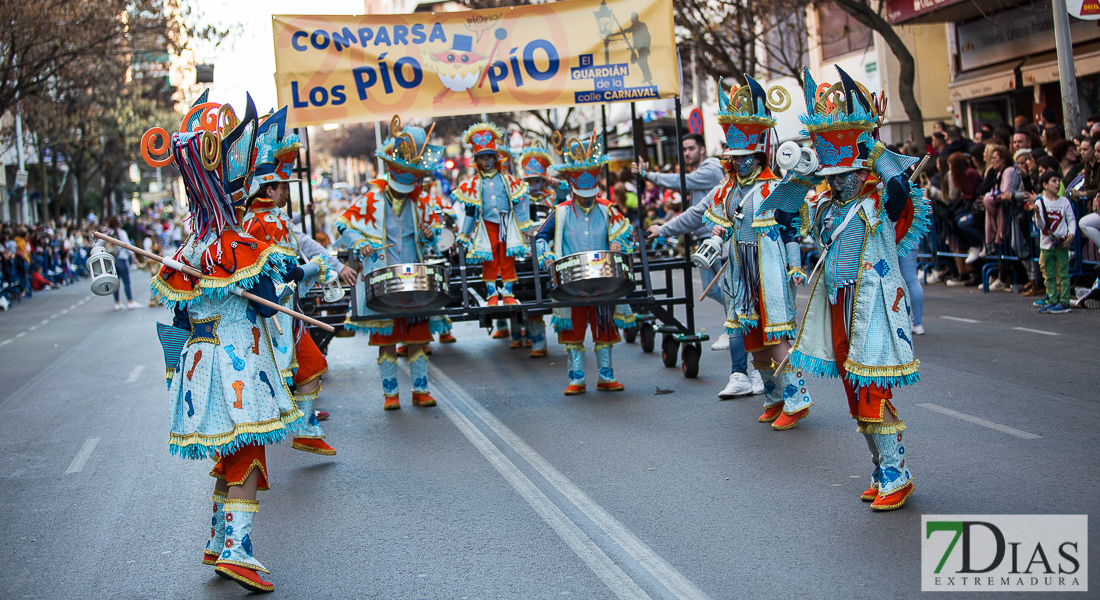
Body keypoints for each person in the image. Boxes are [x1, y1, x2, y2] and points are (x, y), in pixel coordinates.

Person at [148, 96, 300, 592]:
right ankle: (237, 550)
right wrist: (270, 284)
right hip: (239, 365)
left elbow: (176, 316)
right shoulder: (237, 246)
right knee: (249, 454)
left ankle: (217, 539)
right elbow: (266, 304)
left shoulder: (190, 249)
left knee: (229, 453)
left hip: (200, 361)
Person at [762, 67, 931, 510]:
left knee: (873, 391)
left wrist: (874, 151)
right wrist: (800, 176)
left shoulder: (878, 201)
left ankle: (897, 473)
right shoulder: (825, 206)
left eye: (847, 174)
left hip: (873, 306)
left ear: (861, 171)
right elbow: (783, 219)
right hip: (838, 305)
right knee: (855, 394)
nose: (838, 181)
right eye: (833, 175)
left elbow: (898, 191)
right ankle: (882, 469)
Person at [700, 76, 812, 421]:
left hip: (770, 271)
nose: (742, 162)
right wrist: (717, 233)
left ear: (761, 153)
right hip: (740, 271)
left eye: (748, 156)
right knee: (753, 340)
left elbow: (791, 230)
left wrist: (794, 266)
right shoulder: (726, 191)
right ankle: (774, 398)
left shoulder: (776, 187)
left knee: (776, 337)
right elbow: (719, 222)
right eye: (737, 156)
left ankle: (796, 399)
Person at [242, 106, 342, 456]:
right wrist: (311, 268)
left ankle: (303, 427)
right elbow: (279, 271)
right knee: (311, 366)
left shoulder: (263, 219)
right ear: (268, 191)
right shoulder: (263, 222)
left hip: (280, 313)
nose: (286, 192)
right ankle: (302, 430)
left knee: (304, 369)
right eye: (282, 187)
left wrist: (308, 268)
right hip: (277, 317)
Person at [335, 120, 445, 411]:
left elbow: (439, 232)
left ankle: (421, 390)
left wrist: (429, 233)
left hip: (414, 280)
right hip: (381, 280)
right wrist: (359, 243)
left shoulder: (420, 203)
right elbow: (342, 225)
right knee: (386, 339)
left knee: (418, 337)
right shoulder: (371, 198)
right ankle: (390, 394)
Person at [535, 134, 634, 395]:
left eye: (591, 195)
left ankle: (606, 375)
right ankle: (577, 378)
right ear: (572, 187)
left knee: (604, 326)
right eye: (583, 195)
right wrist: (546, 255)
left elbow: (625, 232)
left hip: (602, 279)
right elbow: (539, 239)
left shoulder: (607, 208)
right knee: (573, 331)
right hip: (572, 282)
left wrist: (618, 243)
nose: (587, 199)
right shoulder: (560, 211)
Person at [633, 133, 732, 352]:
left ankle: (734, 327)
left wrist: (648, 175)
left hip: (717, 237)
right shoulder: (704, 174)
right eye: (684, 149)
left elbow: (680, 184)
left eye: (691, 148)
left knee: (727, 287)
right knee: (711, 289)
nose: (686, 153)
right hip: (703, 238)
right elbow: (695, 212)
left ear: (702, 150)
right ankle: (736, 323)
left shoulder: (710, 170)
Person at [452, 122, 533, 306]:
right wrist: (464, 234)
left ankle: (508, 294)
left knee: (507, 257)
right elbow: (471, 212)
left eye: (489, 157)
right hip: (486, 224)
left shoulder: (507, 180)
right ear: (476, 161)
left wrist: (525, 224)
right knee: (489, 259)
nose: (486, 161)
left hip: (506, 222)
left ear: (496, 158)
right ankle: (492, 295)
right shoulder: (473, 184)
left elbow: (521, 199)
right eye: (482, 158)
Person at [518, 142, 556, 358]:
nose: (534, 185)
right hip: (526, 253)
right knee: (530, 293)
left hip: (551, 251)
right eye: (531, 180)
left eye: (538, 180)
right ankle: (537, 340)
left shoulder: (552, 198)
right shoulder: (520, 199)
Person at [1030, 170, 1077, 314]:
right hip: (1046, 244)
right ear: (1045, 185)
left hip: (1061, 244)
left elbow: (1071, 220)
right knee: (1049, 274)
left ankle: (1064, 301)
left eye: (1059, 181)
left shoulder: (1064, 202)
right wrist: (1037, 214)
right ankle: (1052, 299)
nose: (1058, 184)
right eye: (1054, 181)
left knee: (1063, 273)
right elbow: (1041, 226)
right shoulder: (1040, 202)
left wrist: (1071, 235)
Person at [104, 216, 142, 310]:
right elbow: (127, 245)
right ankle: (130, 301)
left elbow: (99, 244)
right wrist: (134, 258)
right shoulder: (121, 233)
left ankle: (117, 303)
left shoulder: (107, 234)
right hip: (121, 259)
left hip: (111, 261)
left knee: (115, 283)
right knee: (126, 282)